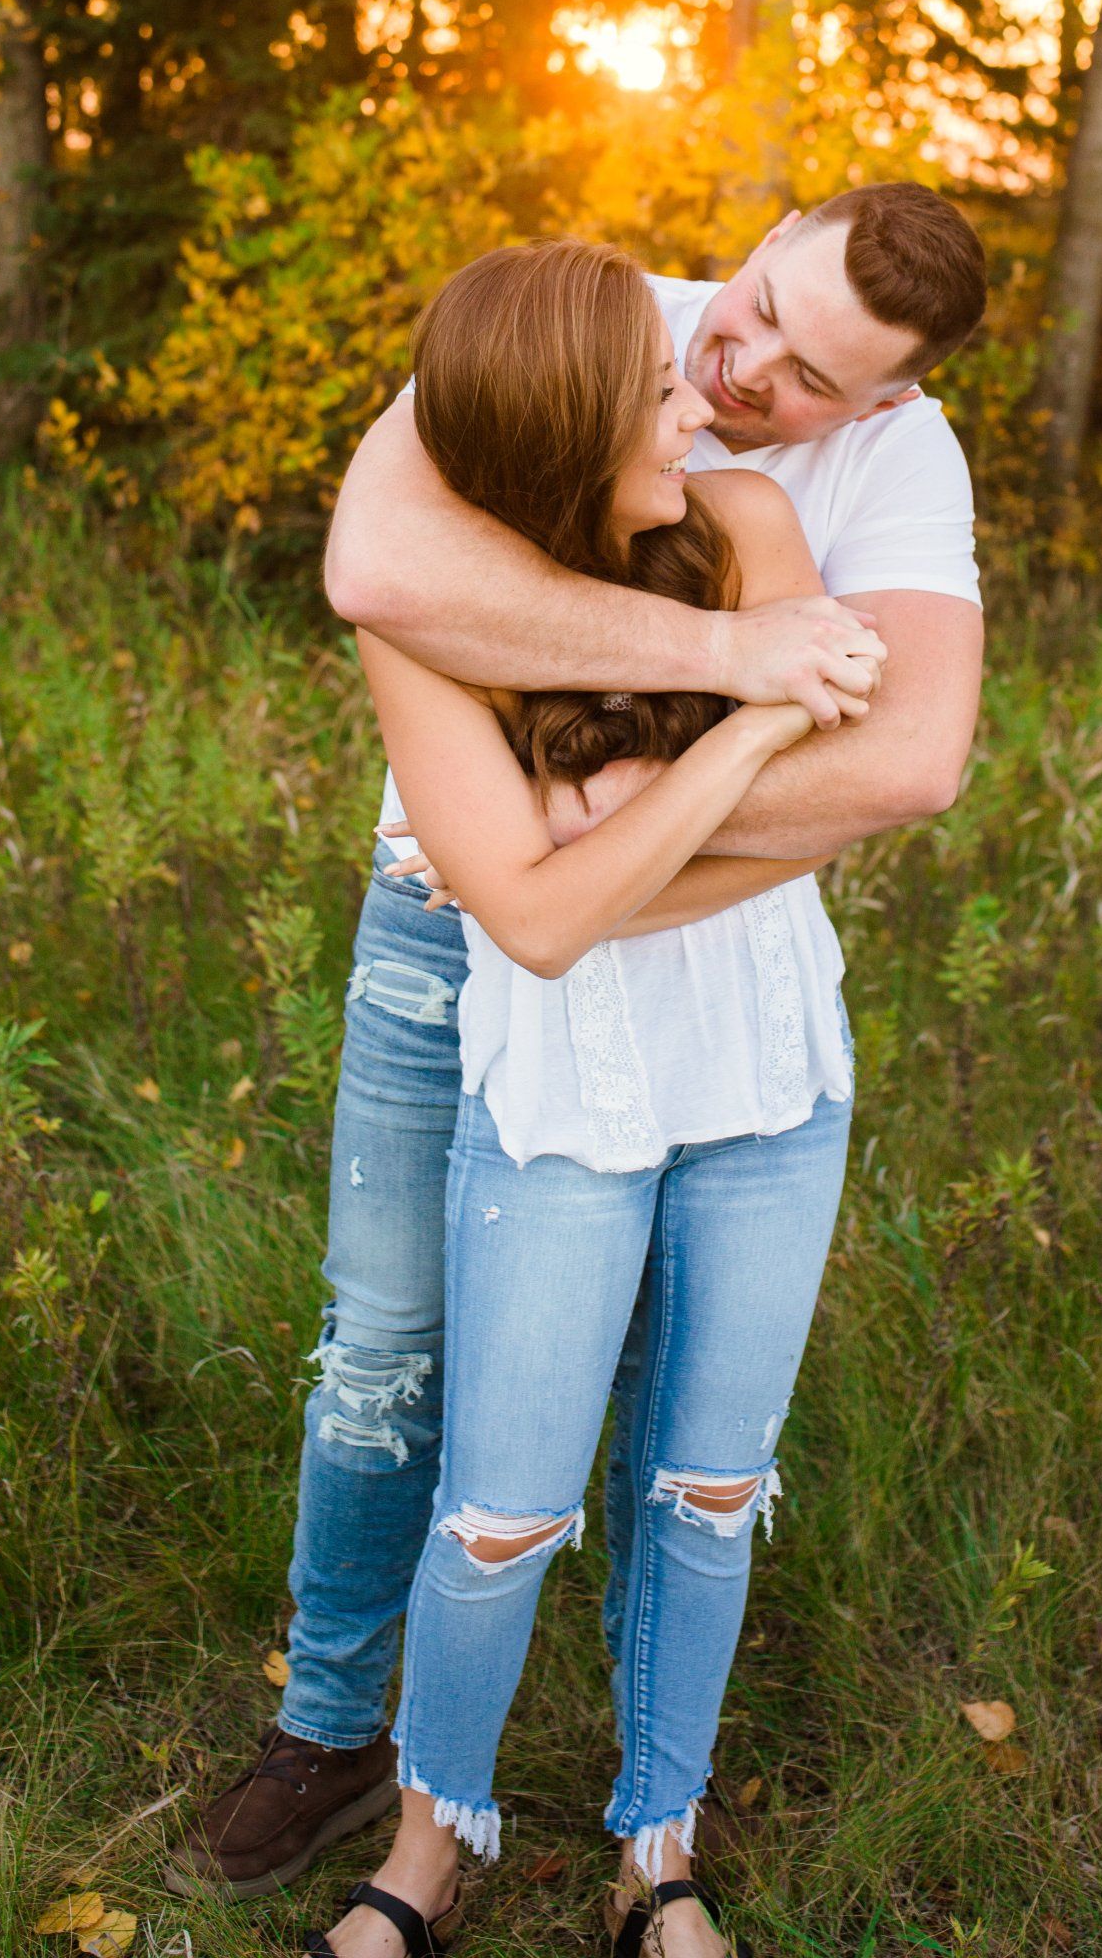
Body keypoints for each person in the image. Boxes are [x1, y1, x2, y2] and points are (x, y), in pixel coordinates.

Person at [168, 186, 985, 1910]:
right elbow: (382, 577)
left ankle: (646, 1834)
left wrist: (609, 837)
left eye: (810, 373)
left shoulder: (820, 478)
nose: (734, 370)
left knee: (681, 1443)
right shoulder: (578, 328)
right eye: (750, 311)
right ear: (756, 242)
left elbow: (905, 763)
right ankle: (338, 1735)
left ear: (884, 403)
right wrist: (732, 675)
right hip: (449, 941)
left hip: (703, 987)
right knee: (388, 1359)